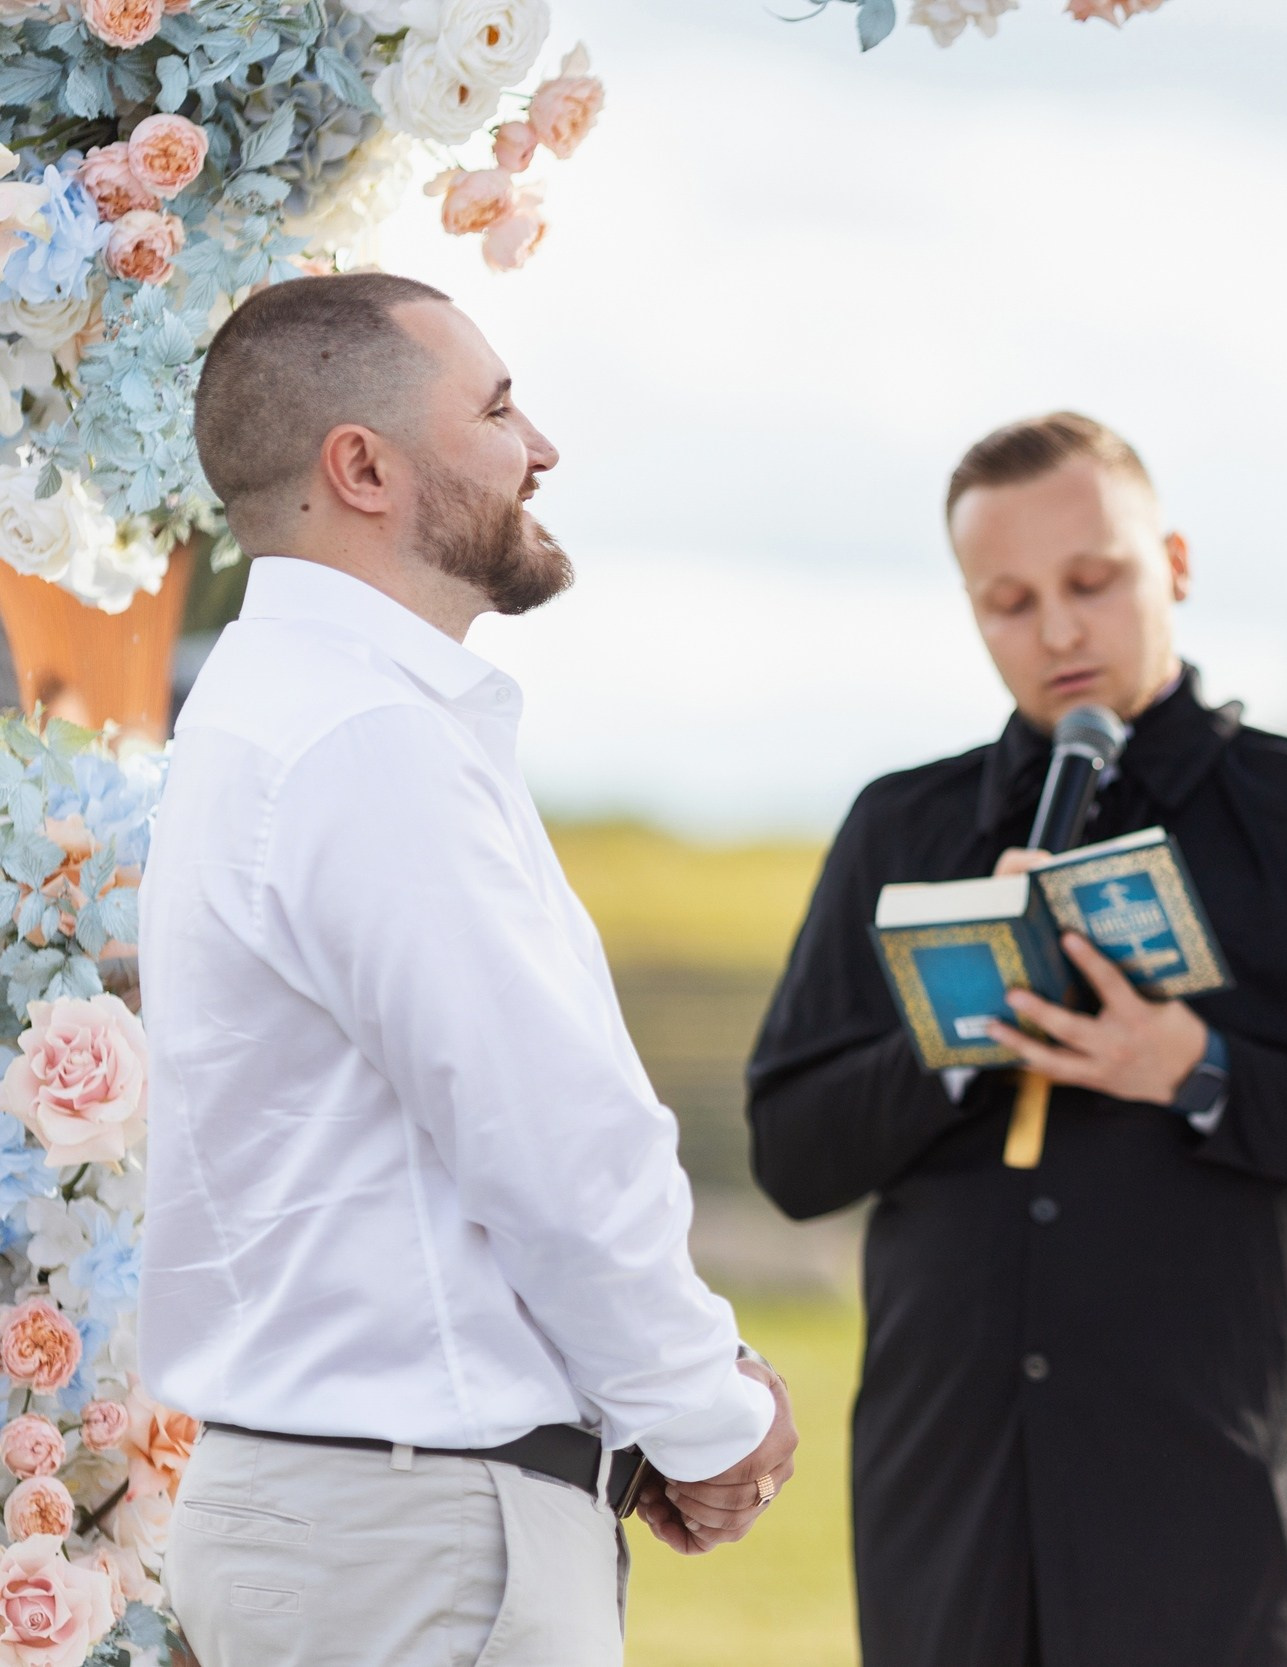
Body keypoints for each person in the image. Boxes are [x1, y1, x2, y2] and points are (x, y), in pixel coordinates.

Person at [746, 412, 1287, 1667]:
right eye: (1007, 601)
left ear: (1173, 560)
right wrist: (956, 1042)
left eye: (1091, 581)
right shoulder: (900, 826)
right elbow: (788, 1152)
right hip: (944, 1505)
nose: (1055, 630)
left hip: (1197, 1508)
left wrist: (1197, 1071)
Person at [140, 272, 799, 1667]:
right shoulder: (362, 739)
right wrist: (707, 1416)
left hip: (352, 1523)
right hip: (415, 1542)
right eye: (498, 407)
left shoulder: (266, 716)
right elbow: (544, 1133)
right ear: (362, 466)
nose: (541, 445)